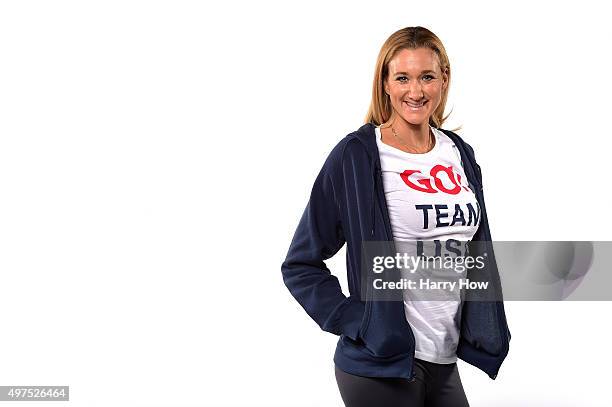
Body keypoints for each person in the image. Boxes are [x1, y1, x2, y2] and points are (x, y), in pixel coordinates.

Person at [281, 26, 510, 407]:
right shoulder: (357, 156)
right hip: (380, 365)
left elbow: (468, 253)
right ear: (385, 83)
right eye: (402, 77)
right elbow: (300, 263)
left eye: (427, 77)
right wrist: (357, 320)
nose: (415, 91)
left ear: (444, 79)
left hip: (444, 360)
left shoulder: (460, 154)